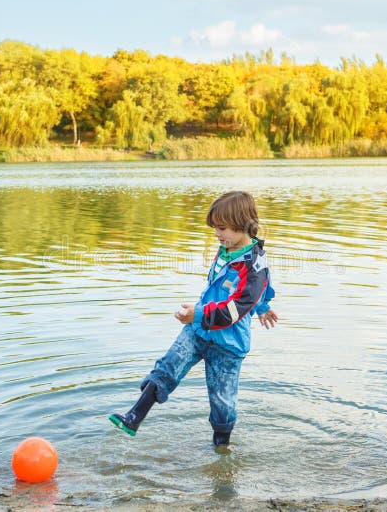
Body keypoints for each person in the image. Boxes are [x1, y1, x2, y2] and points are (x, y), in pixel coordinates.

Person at [109, 191, 278, 446]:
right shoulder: (227, 248)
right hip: (199, 330)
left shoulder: (255, 265)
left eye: (222, 228)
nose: (217, 235)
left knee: (222, 402)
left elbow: (239, 305)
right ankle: (134, 417)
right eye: (215, 229)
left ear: (242, 224)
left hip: (228, 344)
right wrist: (261, 306)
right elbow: (236, 290)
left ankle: (221, 448)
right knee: (167, 366)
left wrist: (200, 313)